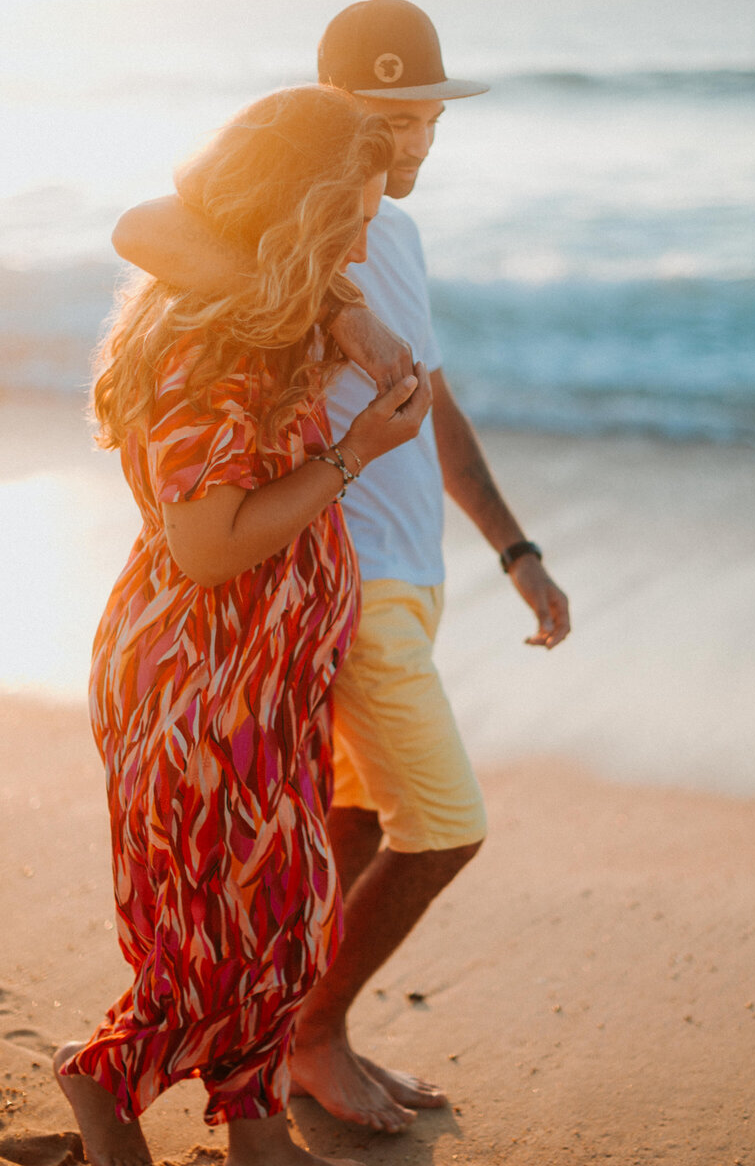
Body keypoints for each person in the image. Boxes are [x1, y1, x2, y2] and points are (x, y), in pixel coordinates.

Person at [111, 0, 571, 1135]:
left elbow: (438, 403)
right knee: (445, 820)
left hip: (406, 570)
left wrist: (512, 550)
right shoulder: (291, 232)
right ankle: (305, 1033)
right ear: (330, 121)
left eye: (425, 116)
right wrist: (333, 305)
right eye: (385, 117)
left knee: (351, 825)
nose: (411, 140)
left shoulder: (390, 232)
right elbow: (141, 230)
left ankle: (305, 1045)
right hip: (339, 570)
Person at [53, 83, 433, 1166]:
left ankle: (253, 1124)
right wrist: (357, 451)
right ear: (302, 211)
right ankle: (103, 1082)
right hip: (196, 689)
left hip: (259, 681)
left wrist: (333, 311)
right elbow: (206, 545)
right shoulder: (209, 349)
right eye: (349, 220)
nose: (364, 240)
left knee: (276, 925)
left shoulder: (267, 321)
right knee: (225, 944)